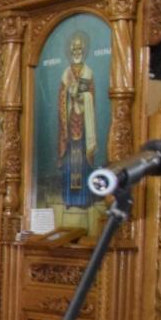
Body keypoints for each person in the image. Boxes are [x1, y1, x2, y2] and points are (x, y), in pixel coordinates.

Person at [58, 32, 97, 209]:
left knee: (82, 160)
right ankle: (70, 199)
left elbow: (91, 95)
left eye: (79, 48)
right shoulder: (66, 73)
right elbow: (61, 97)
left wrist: (84, 97)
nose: (76, 51)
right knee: (70, 161)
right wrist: (68, 95)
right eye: (74, 48)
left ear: (84, 50)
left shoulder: (88, 72)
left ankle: (83, 200)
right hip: (69, 122)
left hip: (83, 122)